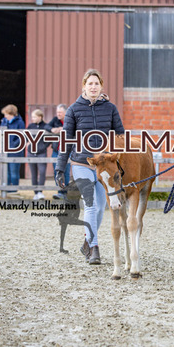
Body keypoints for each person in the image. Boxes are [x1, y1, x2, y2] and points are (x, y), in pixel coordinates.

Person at [54, 69, 124, 264]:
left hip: (103, 166)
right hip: (81, 163)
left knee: (101, 208)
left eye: (96, 84)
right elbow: (66, 140)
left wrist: (118, 162)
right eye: (90, 84)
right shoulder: (73, 110)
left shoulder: (110, 108)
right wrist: (60, 168)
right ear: (84, 86)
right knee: (91, 205)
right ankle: (94, 247)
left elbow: (120, 136)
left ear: (101, 86)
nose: (93, 87)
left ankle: (87, 241)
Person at [45, 104, 70, 199]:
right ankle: (59, 191)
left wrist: (63, 129)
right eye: (57, 112)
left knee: (66, 172)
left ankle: (64, 192)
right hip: (56, 150)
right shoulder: (55, 120)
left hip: (67, 150)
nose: (58, 114)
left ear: (65, 113)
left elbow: (76, 129)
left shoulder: (70, 120)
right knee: (57, 171)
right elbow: (46, 126)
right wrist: (52, 129)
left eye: (60, 112)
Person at [0, 104, 25, 194]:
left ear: (12, 114)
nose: (5, 116)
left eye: (6, 114)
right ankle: (6, 188)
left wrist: (13, 145)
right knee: (5, 172)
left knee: (14, 171)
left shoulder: (20, 123)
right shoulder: (4, 122)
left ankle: (14, 189)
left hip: (15, 151)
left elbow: (22, 136)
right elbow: (0, 134)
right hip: (4, 150)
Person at [27, 109, 49, 200]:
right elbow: (25, 136)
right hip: (31, 153)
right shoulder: (30, 126)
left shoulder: (45, 126)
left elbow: (49, 139)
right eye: (32, 117)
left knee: (42, 172)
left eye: (34, 117)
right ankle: (35, 193)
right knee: (33, 173)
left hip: (41, 153)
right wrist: (28, 144)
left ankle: (40, 191)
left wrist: (43, 147)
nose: (32, 118)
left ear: (40, 117)